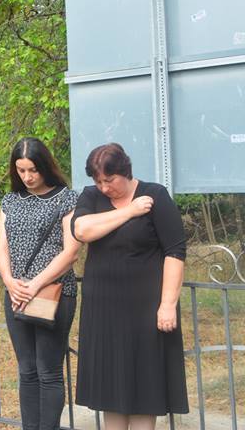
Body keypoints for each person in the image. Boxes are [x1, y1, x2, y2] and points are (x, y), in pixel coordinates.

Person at [71, 143, 188, 430]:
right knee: (110, 388)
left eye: (110, 180)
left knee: (144, 386)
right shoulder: (91, 196)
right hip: (103, 311)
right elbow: (82, 230)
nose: (104, 187)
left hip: (145, 311)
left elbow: (175, 251)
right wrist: (130, 211)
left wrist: (168, 304)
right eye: (98, 181)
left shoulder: (155, 195)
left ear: (126, 171)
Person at [0, 138, 81, 430]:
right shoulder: (10, 201)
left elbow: (71, 251)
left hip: (54, 293)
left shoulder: (67, 198)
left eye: (33, 170)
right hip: (16, 293)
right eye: (21, 170)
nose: (27, 177)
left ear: (45, 166)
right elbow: (2, 247)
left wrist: (35, 284)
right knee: (27, 370)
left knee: (48, 371)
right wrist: (9, 281)